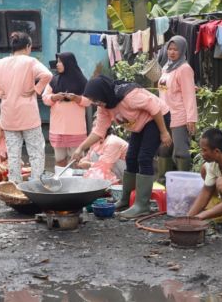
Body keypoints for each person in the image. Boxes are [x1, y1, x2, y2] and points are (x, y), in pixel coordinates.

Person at [71, 75, 172, 219]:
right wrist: (81, 148)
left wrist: (164, 132)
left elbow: (155, 108)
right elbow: (99, 131)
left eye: (96, 99)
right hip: (139, 124)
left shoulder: (129, 96)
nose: (95, 103)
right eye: (93, 100)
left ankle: (142, 205)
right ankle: (126, 199)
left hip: (157, 117)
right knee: (131, 158)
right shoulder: (104, 106)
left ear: (103, 93)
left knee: (144, 158)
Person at [0, 32, 53, 183]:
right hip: (28, 115)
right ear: (28, 46)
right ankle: (36, 185)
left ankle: (14, 186)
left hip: (9, 115)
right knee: (36, 152)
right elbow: (47, 75)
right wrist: (36, 89)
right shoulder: (30, 61)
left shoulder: (0, 63)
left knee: (13, 153)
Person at [157, 35, 198, 177]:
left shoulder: (184, 69)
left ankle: (183, 184)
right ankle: (162, 183)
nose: (172, 52)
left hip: (179, 116)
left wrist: (191, 118)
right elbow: (163, 93)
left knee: (181, 152)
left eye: (176, 49)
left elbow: (189, 95)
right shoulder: (166, 68)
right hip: (164, 116)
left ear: (182, 51)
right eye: (170, 49)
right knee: (163, 149)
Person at [42, 52, 90, 167]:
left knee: (77, 161)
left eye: (60, 61)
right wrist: (55, 97)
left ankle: (75, 183)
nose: (57, 64)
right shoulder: (53, 80)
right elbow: (45, 98)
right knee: (59, 159)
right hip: (58, 128)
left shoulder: (82, 81)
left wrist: (76, 98)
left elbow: (88, 101)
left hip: (76, 129)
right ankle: (62, 182)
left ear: (68, 63)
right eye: (57, 61)